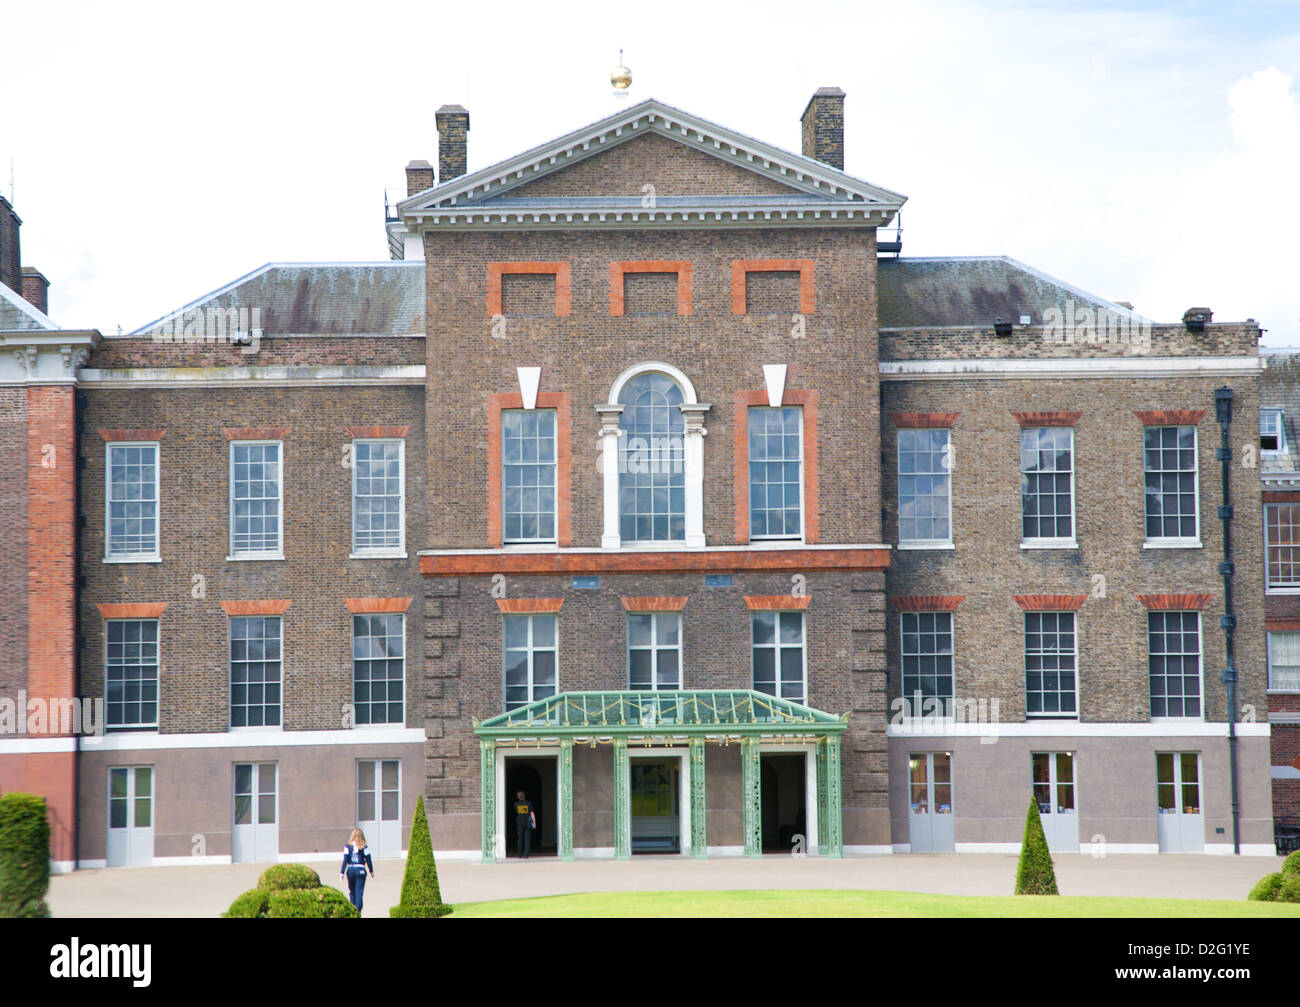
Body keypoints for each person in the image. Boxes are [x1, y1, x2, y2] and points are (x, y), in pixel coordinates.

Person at [340, 828, 374, 911]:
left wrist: (342, 873)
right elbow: (369, 859)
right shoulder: (364, 847)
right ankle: (358, 911)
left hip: (351, 870)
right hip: (361, 870)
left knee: (352, 891)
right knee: (359, 892)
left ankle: (352, 909)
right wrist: (371, 871)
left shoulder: (347, 847)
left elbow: (345, 860)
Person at [513, 789, 536, 859]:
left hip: (519, 823)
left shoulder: (516, 804)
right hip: (528, 823)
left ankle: (519, 854)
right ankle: (526, 855)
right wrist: (534, 823)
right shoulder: (529, 804)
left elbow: (516, 812)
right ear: (524, 796)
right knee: (527, 839)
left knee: (520, 839)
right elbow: (532, 814)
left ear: (518, 797)